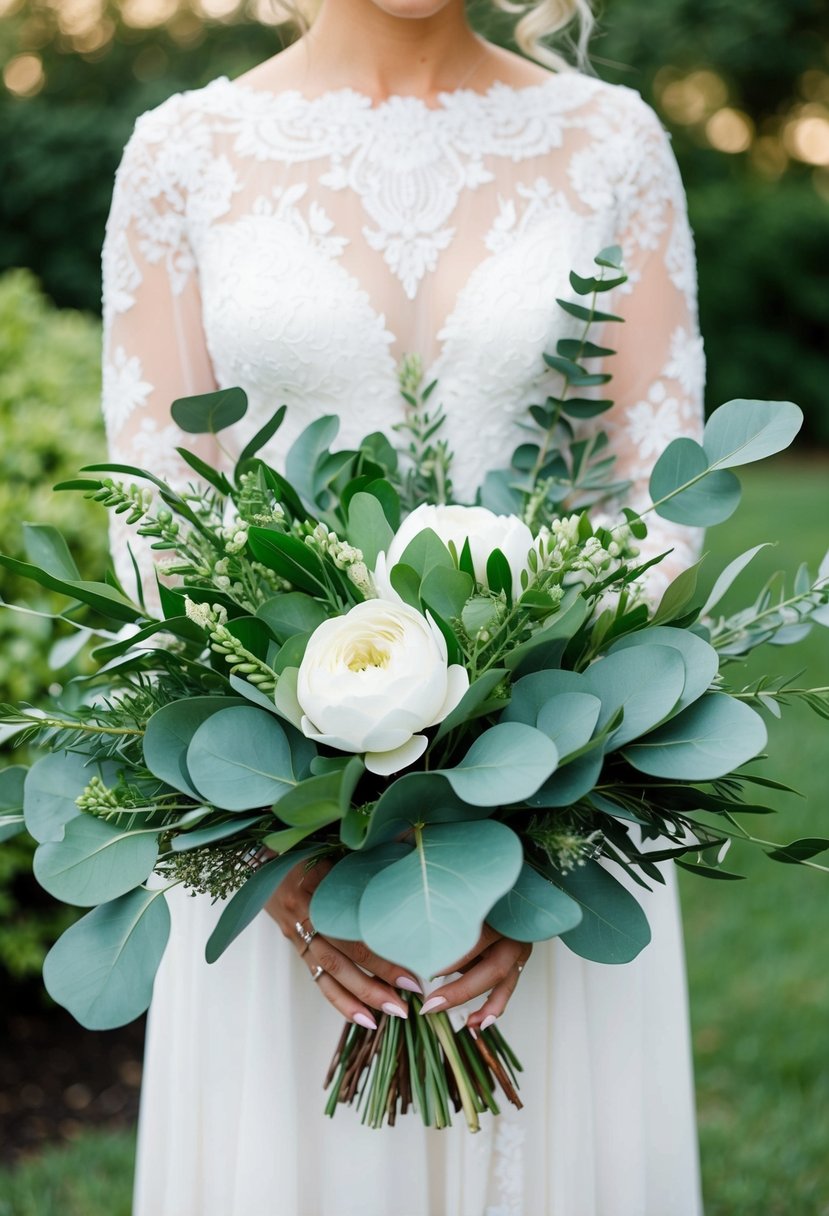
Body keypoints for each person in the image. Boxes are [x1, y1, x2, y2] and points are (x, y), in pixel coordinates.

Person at [100, 0, 706, 1210]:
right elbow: (154, 517)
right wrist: (266, 842)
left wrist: (538, 843)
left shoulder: (613, 140)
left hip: (557, 804)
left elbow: (663, 500)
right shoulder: (182, 152)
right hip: (276, 829)